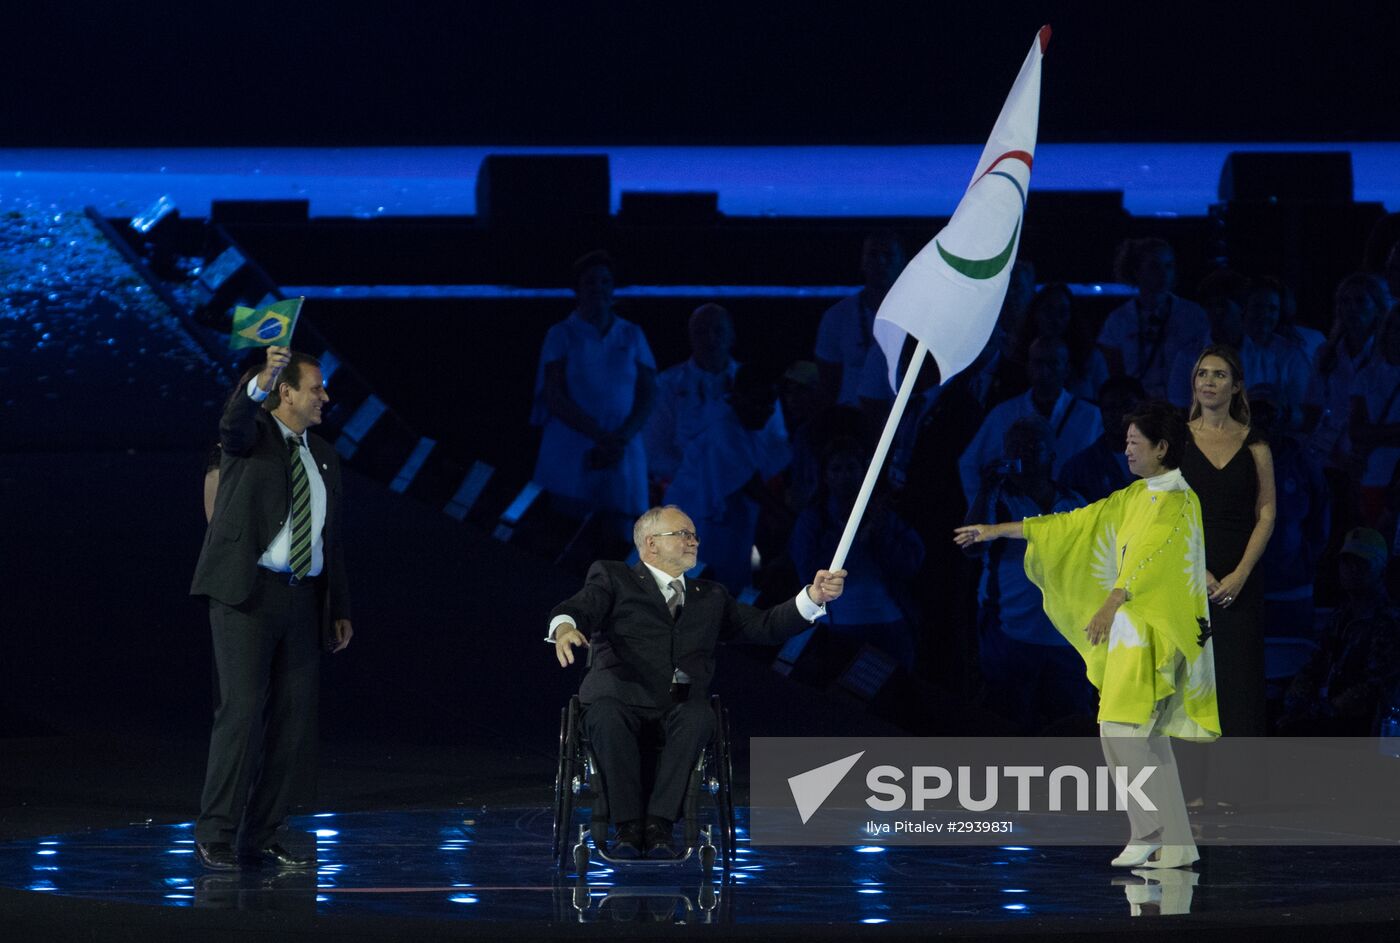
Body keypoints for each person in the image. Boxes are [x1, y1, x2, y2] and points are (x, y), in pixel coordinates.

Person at [956, 400, 1219, 869]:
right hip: (1133, 637)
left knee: (1121, 732)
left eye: (1136, 443)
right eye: (1126, 443)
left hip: (1152, 638)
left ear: (1162, 448)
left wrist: (1112, 600)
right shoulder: (1134, 496)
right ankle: (1178, 843)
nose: (1128, 451)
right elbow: (1073, 523)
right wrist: (996, 529)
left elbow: (1150, 557)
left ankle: (1149, 829)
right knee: (1146, 739)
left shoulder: (1179, 501)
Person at [549, 505, 846, 858]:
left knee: (698, 716)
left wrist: (813, 598)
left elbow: (764, 626)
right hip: (618, 698)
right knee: (605, 715)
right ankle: (628, 828)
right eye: (683, 535)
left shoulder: (711, 596)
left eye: (694, 535)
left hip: (679, 704)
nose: (693, 541)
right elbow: (581, 606)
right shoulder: (613, 578)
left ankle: (659, 825)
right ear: (650, 544)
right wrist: (566, 627)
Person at [190, 347, 354, 872]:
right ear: (286, 392)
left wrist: (338, 607)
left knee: (293, 719)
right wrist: (258, 380)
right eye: (316, 389)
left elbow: (331, 537)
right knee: (240, 713)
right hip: (247, 594)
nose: (325, 397)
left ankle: (263, 832)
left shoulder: (323, 453)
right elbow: (233, 419)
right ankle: (215, 833)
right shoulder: (251, 437)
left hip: (303, 598)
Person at [960, 417, 1092, 733]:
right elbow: (971, 548)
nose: (1025, 453)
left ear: (1052, 454)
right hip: (1010, 633)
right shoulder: (997, 501)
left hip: (1064, 638)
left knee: (1068, 726)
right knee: (1006, 724)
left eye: (1034, 446)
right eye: (1016, 447)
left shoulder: (1074, 503)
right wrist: (986, 489)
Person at [1179, 345, 1276, 737]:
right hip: (1187, 575)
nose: (1209, 381)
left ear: (1236, 386)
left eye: (1219, 375)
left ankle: (1237, 792)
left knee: (1238, 685)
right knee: (1191, 682)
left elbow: (1266, 512)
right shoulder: (1177, 441)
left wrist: (1241, 574)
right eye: (1203, 374)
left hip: (1240, 576)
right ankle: (1190, 791)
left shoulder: (1256, 444)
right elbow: (1165, 515)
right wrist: (1195, 569)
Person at [531, 250, 657, 532]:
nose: (598, 288)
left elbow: (649, 392)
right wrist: (597, 434)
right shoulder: (561, 333)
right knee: (566, 531)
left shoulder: (631, 333)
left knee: (620, 534)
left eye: (605, 281)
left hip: (622, 448)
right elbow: (553, 394)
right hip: (572, 446)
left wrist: (621, 437)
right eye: (590, 282)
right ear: (577, 288)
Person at [789, 438, 924, 670]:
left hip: (888, 622)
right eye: (836, 469)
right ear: (825, 475)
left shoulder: (884, 515)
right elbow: (806, 572)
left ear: (863, 471)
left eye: (851, 468)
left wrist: (879, 532)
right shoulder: (814, 520)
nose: (844, 477)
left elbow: (910, 564)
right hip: (839, 625)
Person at [663, 365, 791, 594]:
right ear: (739, 397)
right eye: (760, 402)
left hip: (725, 532)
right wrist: (786, 517)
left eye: (771, 403)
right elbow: (749, 483)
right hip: (700, 529)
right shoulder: (722, 429)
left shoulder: (748, 429)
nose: (768, 410)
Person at [1278, 527, 1400, 735]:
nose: (1351, 569)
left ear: (1380, 568)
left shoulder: (1388, 622)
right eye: (1346, 561)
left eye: (1361, 563)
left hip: (1357, 726)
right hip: (1326, 714)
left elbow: (1373, 689)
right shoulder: (1341, 617)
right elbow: (1315, 664)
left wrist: (1322, 712)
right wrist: (1297, 701)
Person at [957, 336, 1102, 507]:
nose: (1044, 372)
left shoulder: (1091, 416)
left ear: (1067, 368)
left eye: (1053, 363)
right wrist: (985, 507)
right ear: (1028, 367)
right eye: (1038, 363)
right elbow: (969, 464)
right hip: (1017, 515)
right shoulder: (1004, 413)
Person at [644, 303, 742, 488]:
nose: (710, 339)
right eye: (701, 331)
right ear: (691, 337)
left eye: (718, 330)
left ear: (732, 336)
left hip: (743, 493)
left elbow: (772, 445)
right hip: (683, 493)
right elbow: (653, 449)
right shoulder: (666, 384)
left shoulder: (755, 383)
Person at [1098, 238, 1209, 400]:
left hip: (1184, 405)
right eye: (1154, 266)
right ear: (1136, 271)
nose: (1164, 273)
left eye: (1168, 266)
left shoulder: (1193, 315)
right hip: (1137, 407)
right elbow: (1114, 374)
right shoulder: (1118, 320)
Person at [815, 232, 907, 407]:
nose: (880, 261)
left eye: (888, 255)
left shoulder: (919, 316)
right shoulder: (837, 316)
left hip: (902, 423)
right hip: (849, 422)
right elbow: (828, 385)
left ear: (903, 262)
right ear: (862, 262)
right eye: (873, 254)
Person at [1350, 305, 1400, 526]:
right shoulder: (1368, 374)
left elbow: (1364, 430)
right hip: (1374, 474)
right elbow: (1357, 431)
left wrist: (1375, 434)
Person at [1060, 376, 1146, 503]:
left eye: (1126, 406)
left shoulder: (1163, 459)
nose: (1119, 414)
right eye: (1111, 407)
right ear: (1101, 411)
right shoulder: (1078, 470)